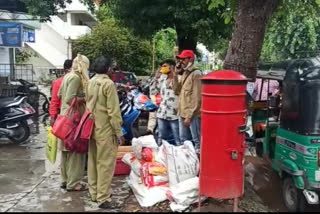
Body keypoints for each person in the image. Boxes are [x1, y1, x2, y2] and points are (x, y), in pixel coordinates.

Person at [86, 56, 125, 209]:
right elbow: (113, 113)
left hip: (91, 127)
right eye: (112, 68)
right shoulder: (108, 84)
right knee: (106, 164)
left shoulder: (91, 81)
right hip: (105, 130)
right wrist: (119, 133)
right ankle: (104, 198)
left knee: (93, 161)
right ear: (108, 69)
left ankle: (94, 193)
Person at [58, 54, 90, 191]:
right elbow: (70, 99)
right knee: (76, 152)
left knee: (66, 151)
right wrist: (84, 98)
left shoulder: (67, 76)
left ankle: (65, 180)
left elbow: (60, 95)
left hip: (64, 117)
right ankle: (73, 183)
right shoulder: (76, 78)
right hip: (73, 119)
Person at [173, 50, 202, 153]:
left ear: (190, 59)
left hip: (191, 115)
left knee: (196, 142)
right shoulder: (185, 73)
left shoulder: (196, 74)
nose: (181, 61)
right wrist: (175, 74)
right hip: (182, 112)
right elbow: (176, 90)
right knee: (183, 141)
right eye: (180, 59)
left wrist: (189, 116)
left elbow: (197, 97)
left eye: (183, 59)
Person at [150, 59, 180, 145]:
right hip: (162, 113)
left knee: (177, 139)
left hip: (174, 114)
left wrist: (175, 75)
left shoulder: (179, 78)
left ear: (172, 67)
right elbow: (153, 91)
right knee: (161, 138)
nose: (162, 68)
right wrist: (156, 78)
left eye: (164, 66)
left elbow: (177, 89)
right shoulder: (162, 79)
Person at [49, 59, 72, 126]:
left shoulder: (77, 81)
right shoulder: (58, 82)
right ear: (69, 70)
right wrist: (53, 117)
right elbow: (54, 101)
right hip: (63, 114)